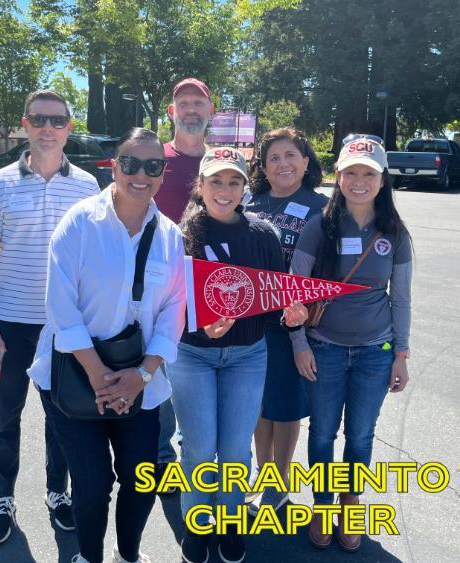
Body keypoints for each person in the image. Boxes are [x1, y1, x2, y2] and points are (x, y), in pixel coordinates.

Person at [28, 128, 186, 563]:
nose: (141, 174)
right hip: (76, 373)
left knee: (142, 477)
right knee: (92, 483)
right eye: (130, 164)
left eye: (152, 166)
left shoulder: (171, 237)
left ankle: (128, 555)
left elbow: (173, 313)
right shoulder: (79, 222)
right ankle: (88, 557)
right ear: (113, 166)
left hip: (138, 379)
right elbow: (61, 307)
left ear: (162, 173)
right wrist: (100, 376)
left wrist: (143, 375)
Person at [0, 89, 100, 546]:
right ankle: (2, 498)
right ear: (25, 124)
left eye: (57, 120)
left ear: (68, 127)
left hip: (62, 328)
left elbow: (90, 260)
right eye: (39, 119)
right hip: (8, 327)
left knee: (61, 417)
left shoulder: (85, 185)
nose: (48, 128)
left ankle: (56, 493)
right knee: (4, 417)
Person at [169, 147, 308, 563]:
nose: (225, 190)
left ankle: (230, 521)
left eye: (234, 182)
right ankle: (198, 524)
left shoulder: (261, 233)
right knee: (197, 448)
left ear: (245, 187)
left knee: (233, 450)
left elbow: (276, 294)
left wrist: (293, 309)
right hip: (191, 355)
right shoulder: (181, 235)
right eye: (216, 181)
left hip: (247, 355)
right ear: (200, 186)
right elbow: (166, 302)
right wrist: (198, 323)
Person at [290, 136, 412, 552]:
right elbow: (293, 294)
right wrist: (298, 345)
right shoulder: (317, 228)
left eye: (369, 173)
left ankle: (350, 505)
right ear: (338, 176)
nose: (359, 181)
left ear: (382, 180)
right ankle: (324, 506)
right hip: (322, 347)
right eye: (351, 172)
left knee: (360, 436)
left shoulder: (395, 233)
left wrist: (401, 354)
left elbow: (402, 297)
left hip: (375, 354)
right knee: (323, 434)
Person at [244, 127, 328, 513]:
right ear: (263, 166)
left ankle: (280, 482)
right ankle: (265, 477)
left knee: (287, 404)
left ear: (305, 161)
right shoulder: (251, 202)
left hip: (295, 325)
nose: (283, 164)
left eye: (291, 155)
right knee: (260, 404)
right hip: (252, 322)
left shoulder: (321, 207)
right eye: (274, 158)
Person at [152, 77, 215, 488]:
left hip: (211, 289)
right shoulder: (154, 157)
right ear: (172, 113)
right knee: (158, 370)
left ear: (211, 111)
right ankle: (162, 456)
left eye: (199, 103)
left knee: (201, 374)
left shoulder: (224, 161)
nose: (191, 109)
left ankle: (197, 453)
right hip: (161, 287)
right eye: (183, 103)